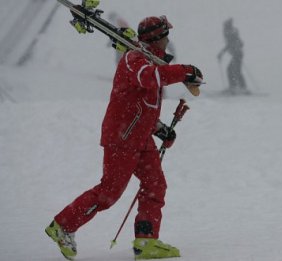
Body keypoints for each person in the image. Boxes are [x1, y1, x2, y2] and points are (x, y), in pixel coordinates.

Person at [45, 15, 204, 260]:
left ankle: (146, 242)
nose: (168, 39)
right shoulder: (134, 59)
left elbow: (141, 104)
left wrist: (159, 128)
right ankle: (63, 225)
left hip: (139, 137)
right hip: (122, 138)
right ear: (158, 38)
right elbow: (147, 78)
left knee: (155, 185)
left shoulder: (150, 61)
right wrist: (185, 72)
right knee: (109, 193)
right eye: (166, 35)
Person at [217, 18, 249, 94]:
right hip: (236, 54)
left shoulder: (232, 34)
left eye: (225, 26)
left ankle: (241, 87)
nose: (224, 29)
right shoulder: (231, 33)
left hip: (237, 54)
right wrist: (221, 53)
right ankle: (237, 86)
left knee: (235, 70)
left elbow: (240, 43)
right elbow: (231, 45)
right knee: (232, 70)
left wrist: (222, 53)